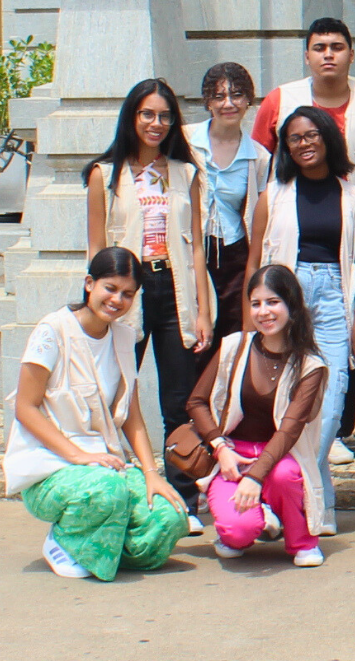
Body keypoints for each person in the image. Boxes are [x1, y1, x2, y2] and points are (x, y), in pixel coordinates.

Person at [5, 247, 188, 581]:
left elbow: (131, 415)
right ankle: (64, 541)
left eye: (128, 294)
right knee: (107, 490)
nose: (117, 300)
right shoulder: (53, 331)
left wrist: (151, 473)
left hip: (104, 467)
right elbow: (25, 408)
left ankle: (99, 545)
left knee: (169, 517)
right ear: (90, 284)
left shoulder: (124, 337)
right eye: (110, 288)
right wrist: (79, 456)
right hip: (51, 469)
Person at [247, 107, 355, 536]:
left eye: (311, 135)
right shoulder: (273, 195)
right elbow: (255, 259)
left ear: (327, 137)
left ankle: (276, 491)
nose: (304, 144)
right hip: (285, 298)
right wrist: (253, 319)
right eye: (294, 138)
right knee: (285, 402)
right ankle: (320, 507)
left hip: (335, 300)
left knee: (330, 405)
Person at [84, 78, 212, 519]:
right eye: (148, 114)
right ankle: (116, 492)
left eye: (165, 116)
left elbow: (196, 246)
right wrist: (97, 306)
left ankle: (183, 501)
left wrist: (203, 311)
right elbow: (96, 248)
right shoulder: (104, 175)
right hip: (125, 296)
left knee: (179, 400)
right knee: (115, 394)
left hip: (174, 290)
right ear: (132, 117)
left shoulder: (184, 172)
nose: (156, 123)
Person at [186, 264, 329, 567]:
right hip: (232, 455)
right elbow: (196, 402)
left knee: (284, 475)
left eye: (273, 302)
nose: (264, 312)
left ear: (291, 304)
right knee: (236, 537)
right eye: (256, 303)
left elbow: (289, 430)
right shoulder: (233, 346)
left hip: (280, 456)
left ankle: (302, 541)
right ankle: (256, 518)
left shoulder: (310, 365)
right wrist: (221, 449)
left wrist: (255, 477)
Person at [185, 63, 270, 344]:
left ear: (248, 100)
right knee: (191, 334)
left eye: (237, 95)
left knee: (230, 336)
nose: (228, 104)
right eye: (219, 96)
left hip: (233, 255)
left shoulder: (259, 157)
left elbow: (259, 214)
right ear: (208, 101)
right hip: (189, 249)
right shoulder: (185, 140)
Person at [250, 17, 355, 186]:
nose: (328, 55)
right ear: (307, 57)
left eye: (337, 48)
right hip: (291, 200)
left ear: (351, 55)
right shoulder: (279, 100)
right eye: (319, 48)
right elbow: (256, 166)